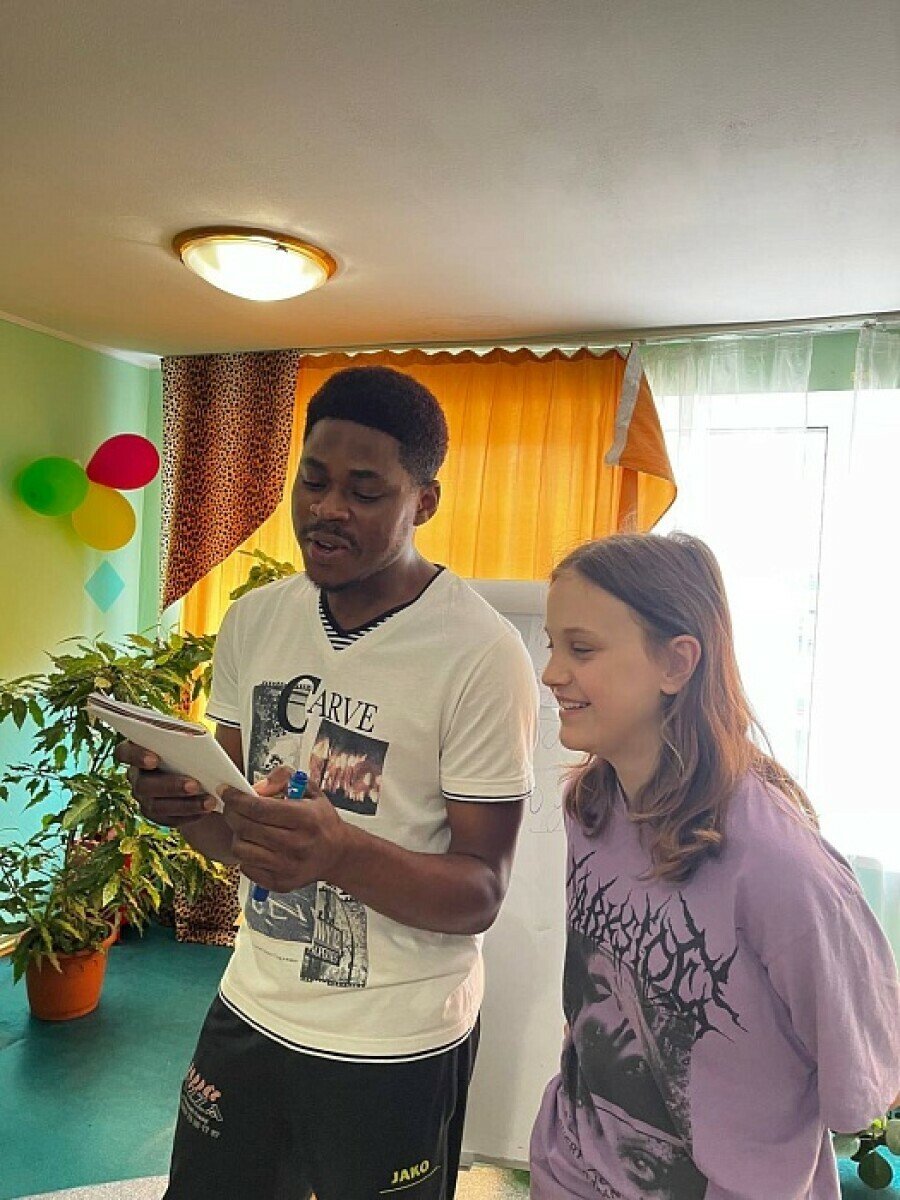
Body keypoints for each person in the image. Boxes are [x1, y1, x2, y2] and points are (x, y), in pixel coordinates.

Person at [118, 365, 539, 1200]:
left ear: (424, 501)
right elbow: (240, 832)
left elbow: (481, 891)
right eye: (312, 481)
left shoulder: (482, 655)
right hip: (254, 1000)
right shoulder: (255, 620)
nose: (327, 508)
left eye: (364, 490)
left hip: (396, 1038)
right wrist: (180, 807)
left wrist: (340, 853)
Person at [529, 532, 900, 1200]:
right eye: (553, 646)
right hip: (571, 1174)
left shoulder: (780, 864)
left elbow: (864, 1074)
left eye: (581, 649)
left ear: (677, 663)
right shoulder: (590, 808)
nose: (552, 672)